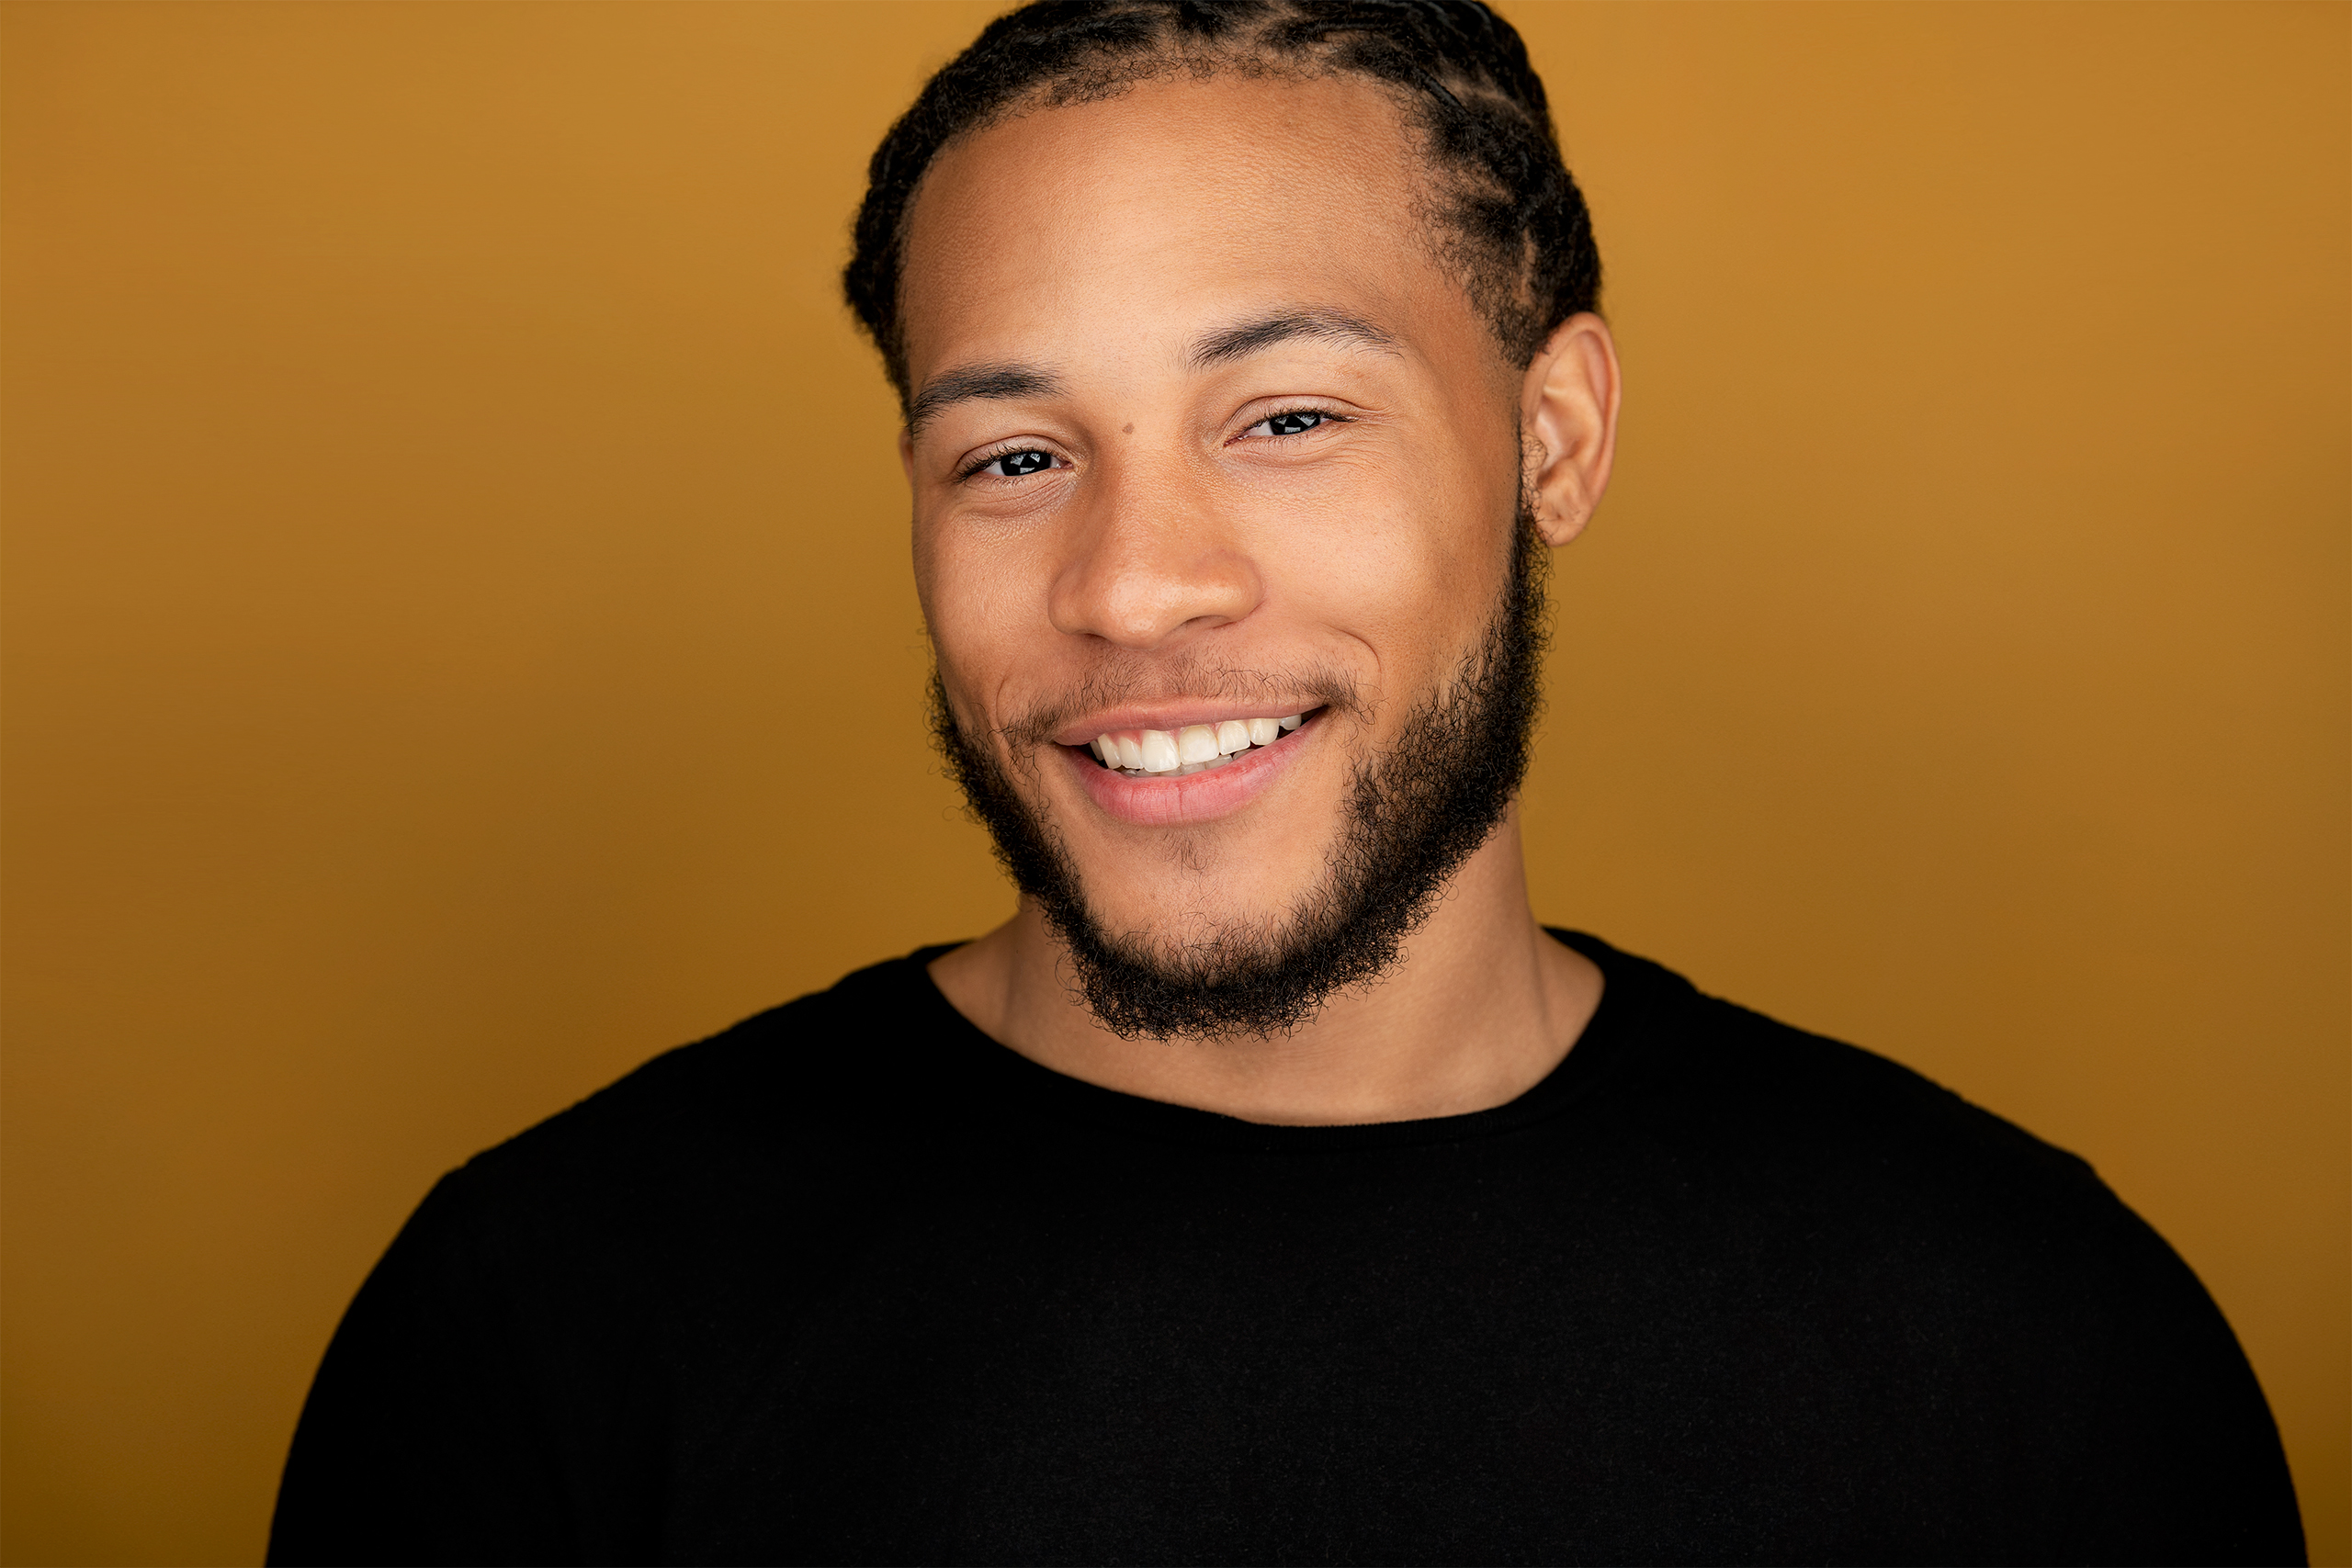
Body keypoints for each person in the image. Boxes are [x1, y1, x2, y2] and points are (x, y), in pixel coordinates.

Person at [266, 3, 2303, 1562]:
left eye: (1287, 414)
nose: (1132, 583)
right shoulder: (544, 1330)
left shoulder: (2031, 1356)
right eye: (1009, 454)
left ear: (1552, 434)